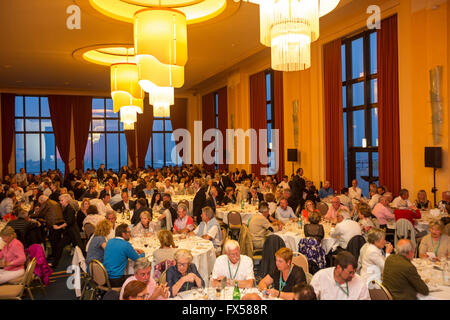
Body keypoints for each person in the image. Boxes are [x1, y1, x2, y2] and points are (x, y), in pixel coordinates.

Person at [30, 195, 66, 267]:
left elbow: (39, 213)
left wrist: (30, 216)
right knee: (56, 240)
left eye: (39, 202)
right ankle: (54, 255)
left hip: (53, 224)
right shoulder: (54, 202)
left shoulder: (46, 203)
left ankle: (54, 258)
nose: (39, 204)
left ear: (42, 200)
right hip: (60, 221)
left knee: (53, 241)